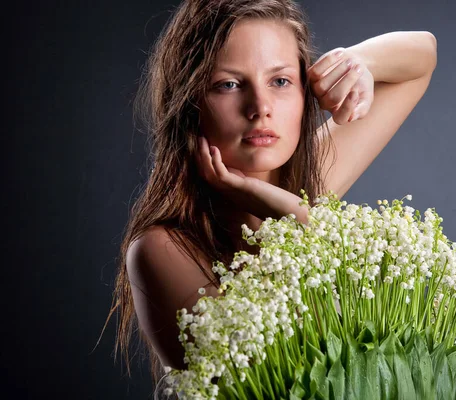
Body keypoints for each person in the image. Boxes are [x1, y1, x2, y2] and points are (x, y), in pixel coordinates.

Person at [101, 0, 437, 395]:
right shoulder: (161, 249)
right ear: (189, 103)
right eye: (228, 84)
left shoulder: (307, 189)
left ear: (303, 91)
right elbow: (277, 381)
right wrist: (290, 211)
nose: (260, 108)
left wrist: (351, 63)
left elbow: (422, 56)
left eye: (280, 82)